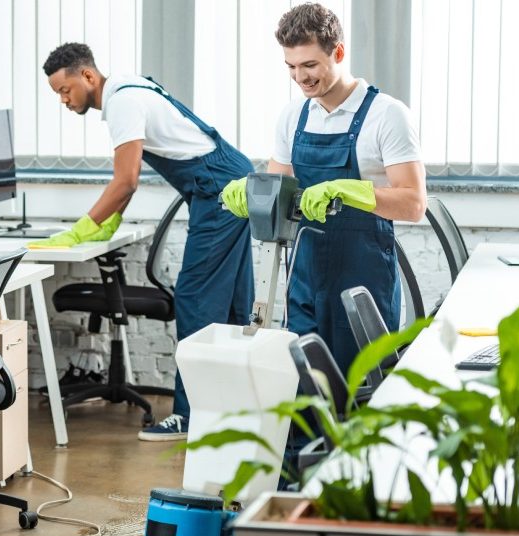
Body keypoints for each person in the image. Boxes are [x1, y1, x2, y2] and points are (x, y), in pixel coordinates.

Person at [221, 3, 427, 480]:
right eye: (291, 68)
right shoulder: (293, 117)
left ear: (337, 51)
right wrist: (251, 193)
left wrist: (353, 192)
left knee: (356, 386)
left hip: (362, 278)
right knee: (303, 385)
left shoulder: (386, 115)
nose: (301, 77)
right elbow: (279, 193)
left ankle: (357, 493)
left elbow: (414, 203)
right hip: (305, 270)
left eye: (310, 65)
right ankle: (297, 497)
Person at [39, 43, 255, 441]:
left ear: (87, 77)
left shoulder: (121, 103)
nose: (64, 100)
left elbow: (126, 180)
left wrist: (82, 229)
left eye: (64, 90)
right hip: (230, 181)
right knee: (232, 303)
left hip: (220, 191)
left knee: (196, 299)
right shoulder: (130, 89)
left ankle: (190, 418)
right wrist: (109, 221)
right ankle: (237, 408)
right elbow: (129, 179)